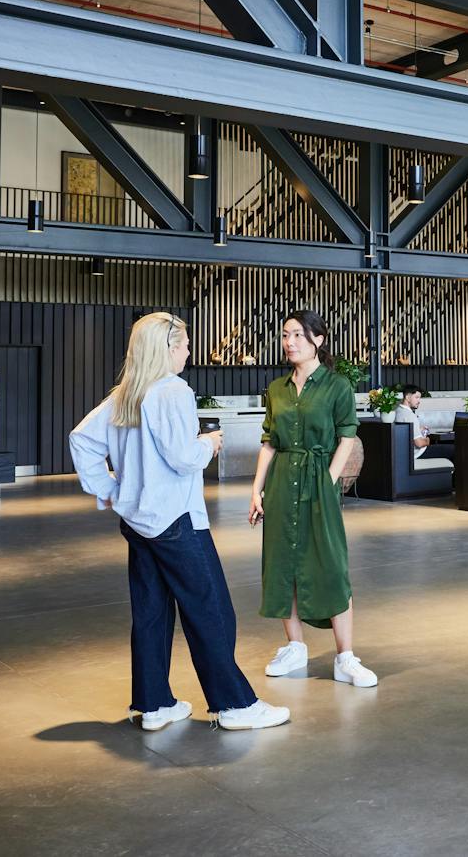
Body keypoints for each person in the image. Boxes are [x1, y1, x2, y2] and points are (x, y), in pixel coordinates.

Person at [69, 312, 290, 732]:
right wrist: (208, 443)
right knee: (212, 610)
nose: (189, 352)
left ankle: (154, 705)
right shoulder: (173, 391)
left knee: (151, 613)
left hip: (138, 522)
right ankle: (235, 705)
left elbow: (81, 439)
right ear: (168, 348)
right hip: (176, 521)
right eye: (185, 345)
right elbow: (183, 458)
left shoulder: (125, 395)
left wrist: (112, 489)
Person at [250, 310, 377, 688]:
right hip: (281, 482)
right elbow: (269, 442)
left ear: (318, 340)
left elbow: (347, 436)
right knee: (282, 564)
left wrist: (328, 480)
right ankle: (295, 647)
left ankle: (345, 656)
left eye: (297, 335)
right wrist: (256, 489)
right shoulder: (277, 388)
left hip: (318, 479)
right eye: (285, 335)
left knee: (332, 565)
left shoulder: (337, 386)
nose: (289, 342)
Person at [396, 383, 454, 461]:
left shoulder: (398, 411)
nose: (419, 401)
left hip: (406, 453)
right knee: (454, 449)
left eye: (419, 398)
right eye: (416, 397)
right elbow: (419, 444)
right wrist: (427, 440)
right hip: (417, 453)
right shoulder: (410, 416)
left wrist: (418, 429)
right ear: (407, 397)